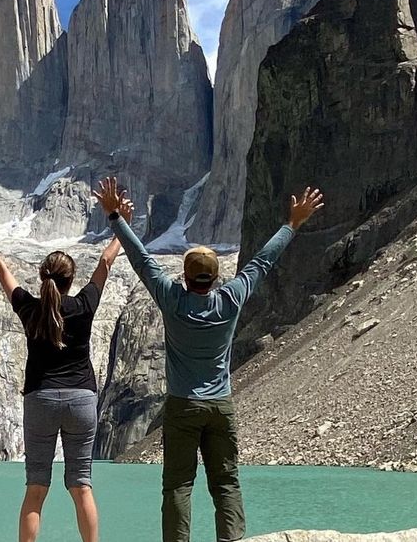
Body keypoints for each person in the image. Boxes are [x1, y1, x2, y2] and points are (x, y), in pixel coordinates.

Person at [93, 178, 324, 542]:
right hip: (220, 405)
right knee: (227, 483)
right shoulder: (230, 300)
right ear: (216, 277)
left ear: (185, 276)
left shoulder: (172, 299)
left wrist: (115, 217)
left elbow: (141, 260)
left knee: (178, 486)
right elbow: (263, 262)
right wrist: (293, 223)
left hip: (183, 407)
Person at [0, 203, 133, 542]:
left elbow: (1, 269)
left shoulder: (30, 308)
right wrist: (122, 226)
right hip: (82, 400)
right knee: (81, 485)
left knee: (36, 487)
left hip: (40, 399)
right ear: (71, 281)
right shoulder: (84, 305)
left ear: (43, 278)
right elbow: (105, 261)